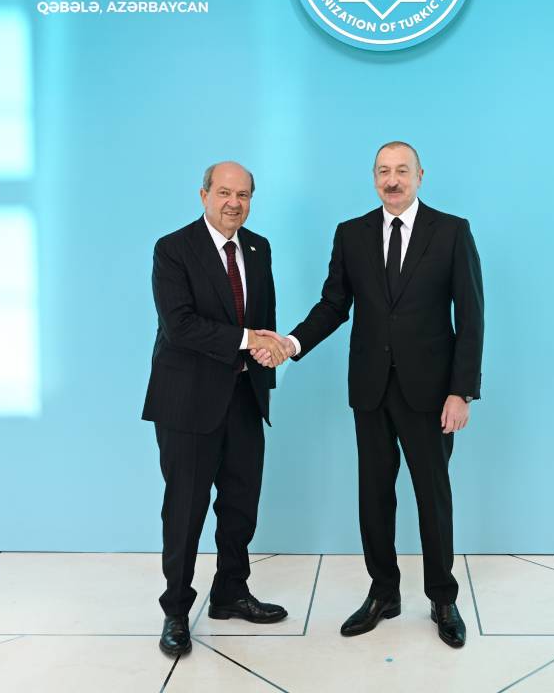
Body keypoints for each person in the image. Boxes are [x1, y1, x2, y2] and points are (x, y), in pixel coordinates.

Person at [256, 141, 484, 648]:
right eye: (384, 171)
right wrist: (291, 343)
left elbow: (470, 316)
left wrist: (461, 391)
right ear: (374, 178)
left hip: (431, 393)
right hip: (370, 388)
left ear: (420, 176)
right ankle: (384, 592)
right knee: (374, 496)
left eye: (402, 170)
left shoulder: (451, 231)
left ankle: (442, 597)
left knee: (432, 497)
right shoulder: (352, 233)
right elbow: (333, 305)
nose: (392, 180)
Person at [142, 161, 293, 659]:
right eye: (225, 192)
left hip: (245, 397)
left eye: (243, 195)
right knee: (185, 510)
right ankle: (176, 610)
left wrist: (269, 352)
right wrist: (251, 340)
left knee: (240, 504)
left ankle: (231, 591)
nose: (234, 203)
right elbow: (180, 326)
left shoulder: (258, 247)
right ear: (203, 194)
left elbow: (264, 318)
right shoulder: (173, 249)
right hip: (188, 402)